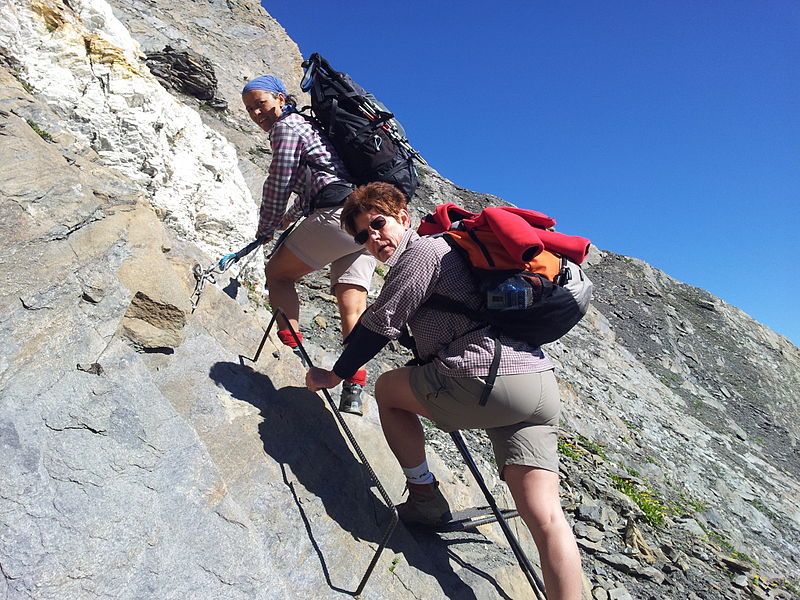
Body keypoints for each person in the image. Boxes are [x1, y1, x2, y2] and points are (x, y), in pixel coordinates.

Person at [305, 182, 583, 599]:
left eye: (377, 224)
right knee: (546, 518)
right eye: (362, 236)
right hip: (538, 385)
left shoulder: (423, 252)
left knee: (387, 389)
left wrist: (336, 374)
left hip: (484, 379)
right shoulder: (454, 251)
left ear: (403, 216)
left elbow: (381, 323)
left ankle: (424, 497)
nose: (373, 239)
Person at [241, 74, 375, 415]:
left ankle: (292, 351)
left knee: (278, 274)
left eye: (261, 103)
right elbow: (313, 189)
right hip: (366, 217)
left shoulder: (286, 129)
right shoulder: (307, 127)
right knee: (352, 303)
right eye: (250, 108)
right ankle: (355, 386)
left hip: (337, 216)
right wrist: (283, 223)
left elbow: (279, 181)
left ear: (281, 99)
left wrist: (264, 228)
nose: (257, 113)